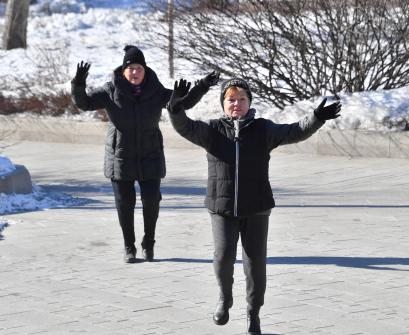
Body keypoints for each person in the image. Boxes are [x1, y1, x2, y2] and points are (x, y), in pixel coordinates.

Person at [167, 77, 341, 334]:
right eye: (231, 99)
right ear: (223, 103)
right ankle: (225, 298)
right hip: (222, 207)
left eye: (241, 99)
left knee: (255, 264)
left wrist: (316, 118)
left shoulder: (263, 129)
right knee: (223, 258)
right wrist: (175, 107)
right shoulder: (212, 130)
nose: (236, 104)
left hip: (257, 207)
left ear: (249, 102)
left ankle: (253, 313)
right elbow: (185, 127)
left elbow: (294, 131)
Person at [71, 45, 219, 263]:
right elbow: (83, 103)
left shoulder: (156, 91)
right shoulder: (109, 91)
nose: (134, 72)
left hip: (150, 154)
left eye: (138, 68)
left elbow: (183, 103)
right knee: (125, 203)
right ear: (123, 71)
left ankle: (148, 243)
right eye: (130, 68)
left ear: (145, 70)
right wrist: (78, 83)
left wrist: (202, 86)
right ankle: (129, 247)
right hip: (120, 155)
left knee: (151, 201)